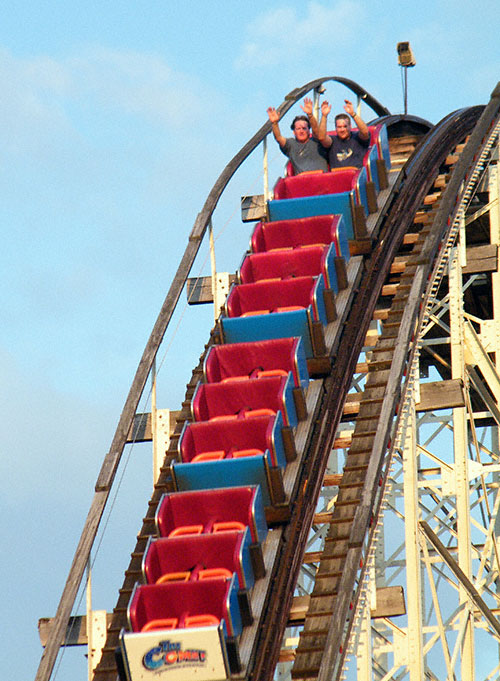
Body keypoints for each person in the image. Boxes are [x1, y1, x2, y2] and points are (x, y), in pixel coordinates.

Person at [267, 97, 328, 174]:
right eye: (298, 128)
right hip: (302, 182)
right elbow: (279, 138)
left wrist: (310, 115)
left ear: (309, 131)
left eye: (304, 128)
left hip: (321, 180)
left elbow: (316, 131)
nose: (301, 131)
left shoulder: (316, 141)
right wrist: (274, 123)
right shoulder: (291, 144)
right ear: (294, 132)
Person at [311, 99, 370, 169]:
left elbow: (365, 132)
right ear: (335, 128)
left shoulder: (357, 138)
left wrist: (353, 114)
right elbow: (322, 138)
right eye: (339, 127)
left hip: (356, 175)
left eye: (345, 126)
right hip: (337, 176)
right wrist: (324, 116)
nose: (342, 130)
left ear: (350, 126)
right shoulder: (333, 140)